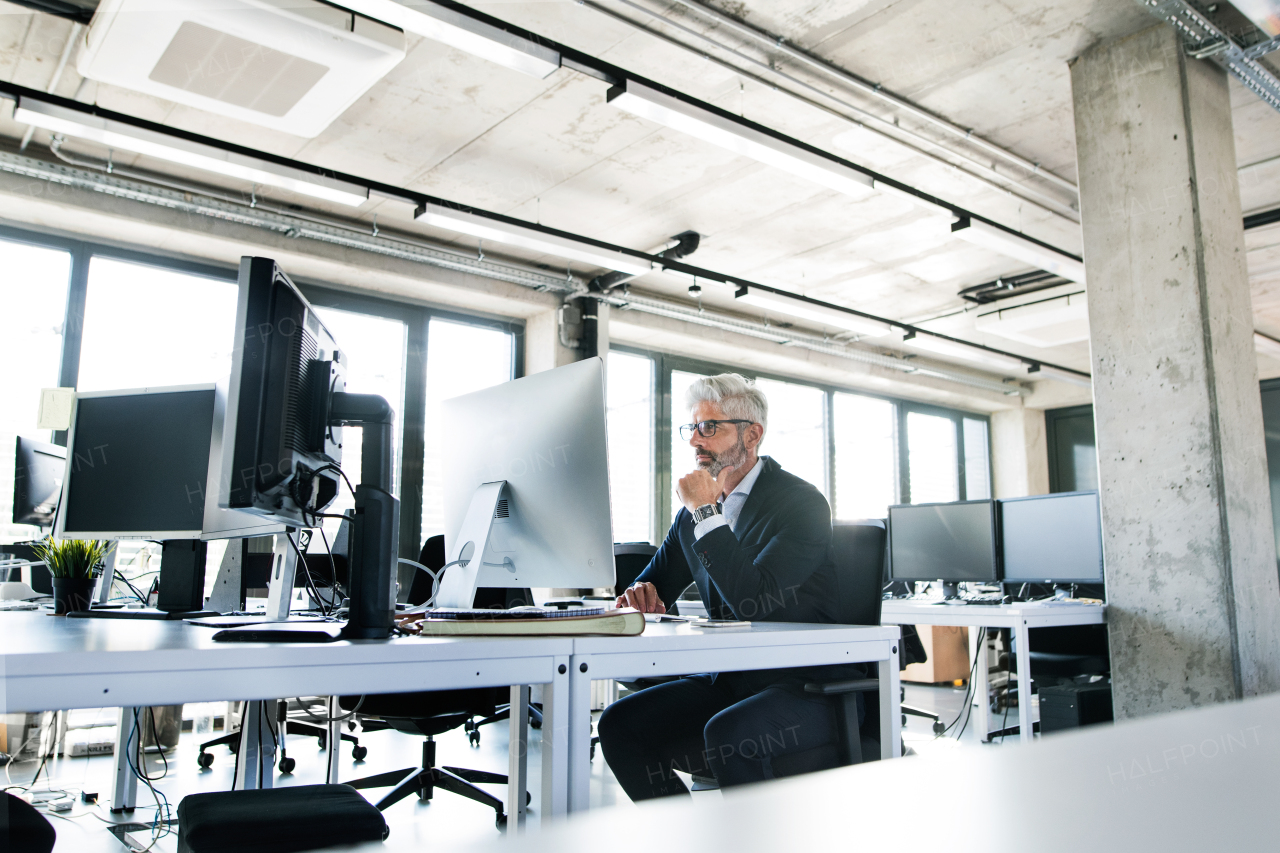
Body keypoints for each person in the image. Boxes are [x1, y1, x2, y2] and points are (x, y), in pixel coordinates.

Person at [597, 373, 867, 800]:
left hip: (803, 684)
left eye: (710, 427)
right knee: (619, 725)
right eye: (692, 428)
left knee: (727, 732)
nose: (695, 441)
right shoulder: (693, 515)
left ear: (752, 435)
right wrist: (638, 595)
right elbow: (652, 582)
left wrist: (706, 511)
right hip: (732, 679)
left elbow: (752, 601)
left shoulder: (800, 504)